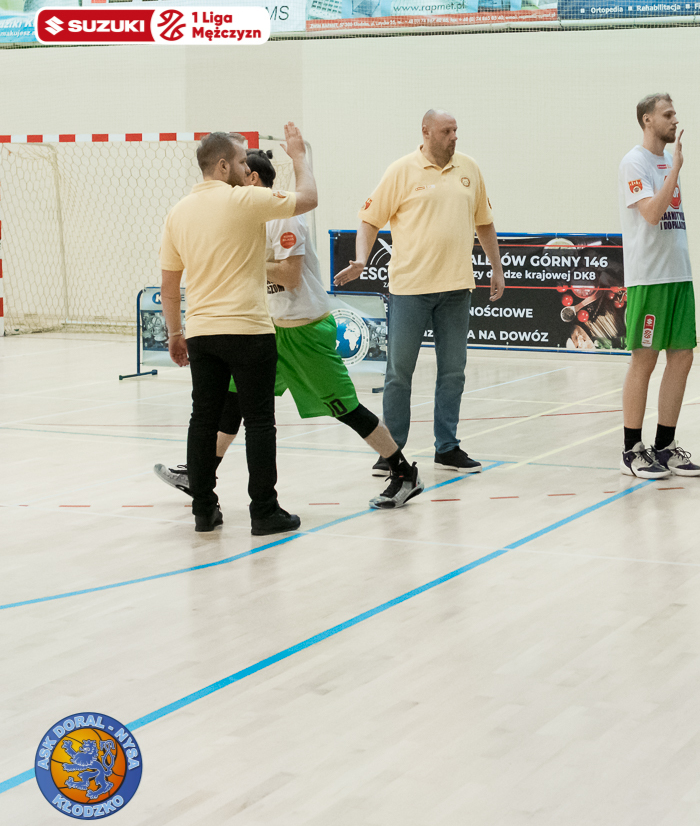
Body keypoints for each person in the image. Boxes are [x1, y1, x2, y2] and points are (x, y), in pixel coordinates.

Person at [154, 148, 424, 510]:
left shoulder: (284, 219)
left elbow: (290, 276)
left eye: (242, 170)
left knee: (344, 407)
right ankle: (200, 474)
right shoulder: (242, 216)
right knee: (230, 404)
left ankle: (404, 472)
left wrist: (241, 262)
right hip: (268, 329)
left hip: (304, 330)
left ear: (252, 179)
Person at [158, 126, 316, 534]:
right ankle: (264, 511)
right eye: (243, 162)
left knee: (202, 420)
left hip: (202, 332)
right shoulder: (244, 199)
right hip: (248, 330)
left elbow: (169, 285)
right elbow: (309, 198)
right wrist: (299, 157)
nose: (249, 169)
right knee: (260, 422)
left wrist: (175, 333)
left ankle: (203, 511)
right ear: (223, 166)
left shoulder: (178, 212)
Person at [334, 109, 505, 477]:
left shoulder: (469, 168)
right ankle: (391, 451)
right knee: (399, 374)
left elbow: (485, 223)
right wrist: (361, 259)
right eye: (446, 131)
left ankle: (447, 448)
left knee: (453, 372)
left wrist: (496, 266)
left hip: (457, 289)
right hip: (410, 290)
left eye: (456, 130)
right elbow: (369, 220)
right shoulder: (401, 171)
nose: (454, 136)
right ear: (426, 131)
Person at [617, 92, 700, 479]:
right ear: (647, 120)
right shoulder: (634, 162)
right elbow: (652, 213)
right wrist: (675, 170)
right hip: (649, 277)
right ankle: (631, 450)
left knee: (682, 357)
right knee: (645, 360)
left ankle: (665, 447)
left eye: (675, 113)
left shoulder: (669, 161)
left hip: (678, 273)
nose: (675, 120)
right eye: (667, 114)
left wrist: (674, 167)